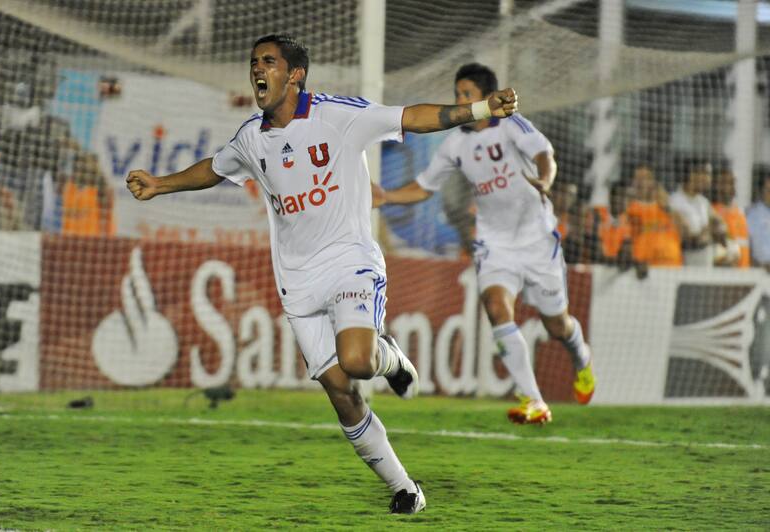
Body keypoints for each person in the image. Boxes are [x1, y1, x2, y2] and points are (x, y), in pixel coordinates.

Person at [125, 35, 518, 514]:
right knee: (342, 394)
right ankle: (405, 488)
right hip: (298, 282)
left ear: (295, 75)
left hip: (349, 261)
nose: (257, 69)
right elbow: (216, 168)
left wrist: (481, 111)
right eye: (253, 62)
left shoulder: (339, 116)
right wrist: (161, 184)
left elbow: (411, 117)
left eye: (268, 61)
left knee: (356, 360)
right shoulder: (251, 136)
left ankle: (387, 358)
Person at [373, 63, 594, 426]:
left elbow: (544, 155)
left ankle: (581, 357)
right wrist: (385, 197)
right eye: (457, 94)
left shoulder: (510, 125)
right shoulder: (455, 144)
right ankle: (534, 401)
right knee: (495, 305)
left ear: (486, 98)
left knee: (558, 327)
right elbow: (424, 187)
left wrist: (545, 179)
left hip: (537, 240)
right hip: (494, 242)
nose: (459, 100)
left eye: (466, 95)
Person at [668, 159, 727, 267]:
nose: (709, 179)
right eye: (706, 173)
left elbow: (720, 227)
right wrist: (708, 232)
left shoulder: (703, 202)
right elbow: (688, 240)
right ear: (692, 174)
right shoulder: (674, 201)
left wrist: (712, 230)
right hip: (685, 265)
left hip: (706, 264)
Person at [625, 163, 684, 267]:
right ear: (632, 183)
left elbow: (685, 233)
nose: (641, 182)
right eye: (638, 178)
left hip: (672, 267)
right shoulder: (628, 210)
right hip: (642, 270)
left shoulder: (666, 207)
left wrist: (668, 208)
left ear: (654, 182)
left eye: (646, 178)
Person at [711, 168, 749, 268]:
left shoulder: (741, 212)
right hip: (725, 273)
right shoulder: (712, 211)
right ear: (717, 186)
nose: (731, 187)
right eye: (725, 182)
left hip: (746, 272)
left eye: (733, 182)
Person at [747, 172, 770, 271]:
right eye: (769, 191)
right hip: (760, 270)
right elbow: (751, 244)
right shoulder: (753, 214)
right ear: (762, 191)